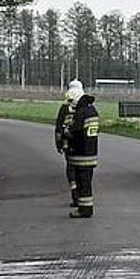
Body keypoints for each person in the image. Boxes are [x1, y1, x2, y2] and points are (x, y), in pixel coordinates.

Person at [66, 92, 100, 218]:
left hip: (80, 156)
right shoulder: (93, 111)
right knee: (87, 184)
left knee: (82, 185)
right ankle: (86, 208)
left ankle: (84, 210)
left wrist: (67, 131)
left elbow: (74, 132)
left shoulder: (81, 113)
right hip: (91, 154)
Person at [54, 80, 85, 208]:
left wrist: (58, 144)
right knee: (82, 170)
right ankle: (83, 194)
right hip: (82, 145)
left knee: (71, 169)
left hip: (68, 145)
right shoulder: (85, 107)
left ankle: (75, 194)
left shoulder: (65, 107)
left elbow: (58, 129)